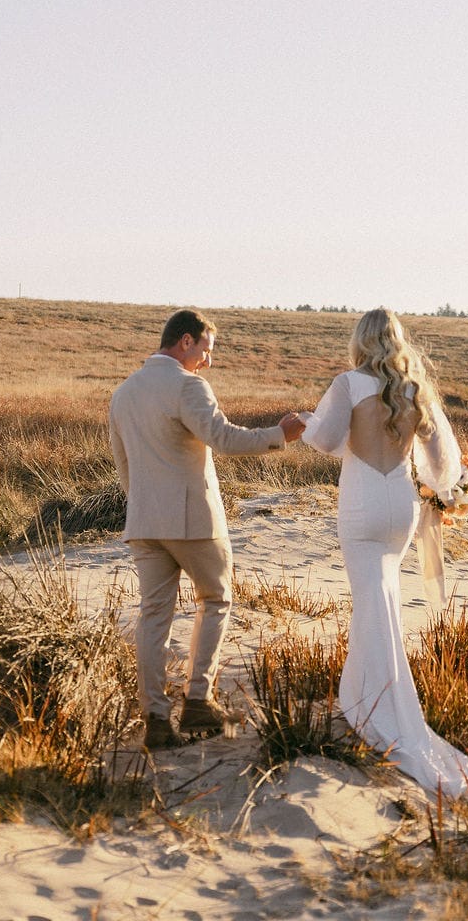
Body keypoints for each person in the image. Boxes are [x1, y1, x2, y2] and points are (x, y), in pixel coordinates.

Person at [299, 307, 468, 798]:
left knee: (372, 600)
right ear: (398, 341)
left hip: (361, 503)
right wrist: (441, 489)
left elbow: (323, 439)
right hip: (400, 504)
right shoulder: (414, 389)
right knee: (381, 600)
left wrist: (303, 420)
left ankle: (380, 708)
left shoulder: (347, 383)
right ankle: (363, 696)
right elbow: (444, 465)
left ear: (360, 339)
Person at [109, 308, 304, 750]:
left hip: (143, 521)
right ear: (185, 342)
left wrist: (143, 504)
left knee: (153, 616)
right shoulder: (188, 385)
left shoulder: (123, 393)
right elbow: (225, 438)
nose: (208, 361)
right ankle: (199, 699)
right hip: (193, 519)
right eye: (206, 350)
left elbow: (123, 464)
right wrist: (280, 434)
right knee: (215, 599)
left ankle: (156, 718)